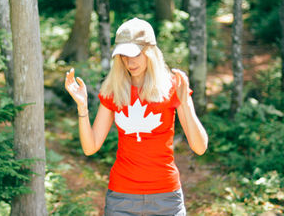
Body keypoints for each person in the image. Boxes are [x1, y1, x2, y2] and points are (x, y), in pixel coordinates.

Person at [64, 17, 208, 216]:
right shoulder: (113, 91)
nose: (129, 62)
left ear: (150, 52)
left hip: (166, 198)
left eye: (135, 54)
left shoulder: (173, 87)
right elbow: (90, 147)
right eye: (123, 55)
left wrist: (185, 104)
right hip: (122, 199)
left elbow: (200, 147)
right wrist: (82, 107)